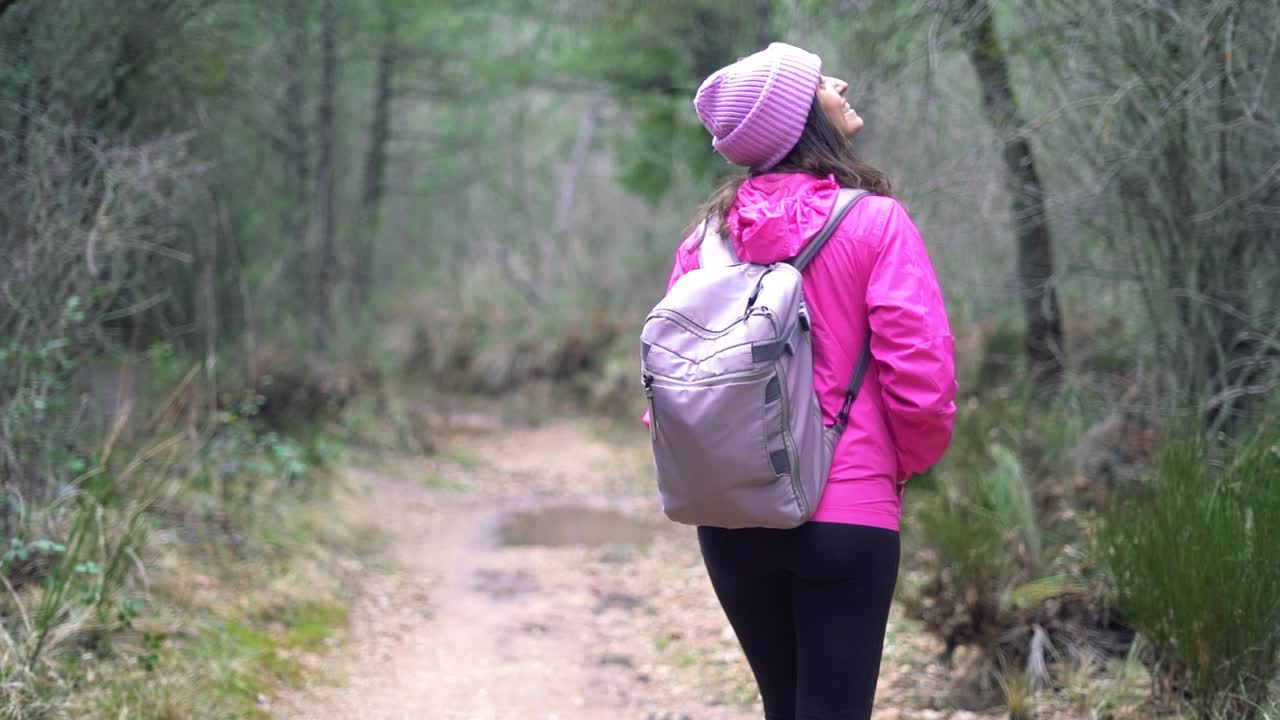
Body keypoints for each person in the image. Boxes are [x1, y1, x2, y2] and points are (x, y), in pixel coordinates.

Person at [666, 43, 957, 719]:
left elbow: (673, 389)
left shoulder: (703, 241)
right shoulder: (876, 223)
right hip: (849, 508)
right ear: (799, 115)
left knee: (784, 707)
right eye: (821, 80)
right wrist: (897, 465)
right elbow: (921, 376)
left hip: (731, 512)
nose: (841, 82)